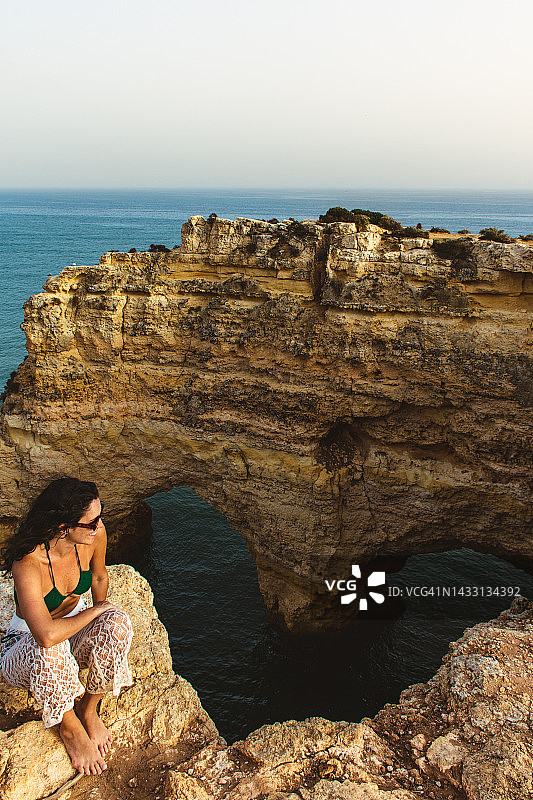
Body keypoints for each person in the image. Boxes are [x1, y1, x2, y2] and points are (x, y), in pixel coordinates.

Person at [0, 477, 134, 776]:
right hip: (26, 650)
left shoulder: (93, 537)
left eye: (100, 517)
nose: (99, 526)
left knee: (117, 623)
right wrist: (93, 612)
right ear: (62, 527)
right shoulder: (28, 563)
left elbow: (98, 577)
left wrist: (101, 613)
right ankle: (69, 726)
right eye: (90, 522)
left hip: (70, 635)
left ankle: (89, 708)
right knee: (50, 647)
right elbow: (46, 635)